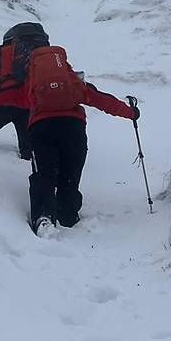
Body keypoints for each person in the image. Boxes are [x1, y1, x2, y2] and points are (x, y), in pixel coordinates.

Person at [24, 44, 139, 235]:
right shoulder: (73, 82)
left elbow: (11, 99)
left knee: (44, 174)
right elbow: (102, 100)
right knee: (70, 172)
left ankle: (44, 218)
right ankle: (68, 214)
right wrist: (131, 113)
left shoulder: (32, 83)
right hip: (74, 128)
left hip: (41, 128)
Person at [0, 21, 50, 159]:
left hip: (6, 99)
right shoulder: (44, 53)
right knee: (29, 146)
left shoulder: (1, 51)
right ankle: (26, 160)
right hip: (31, 102)